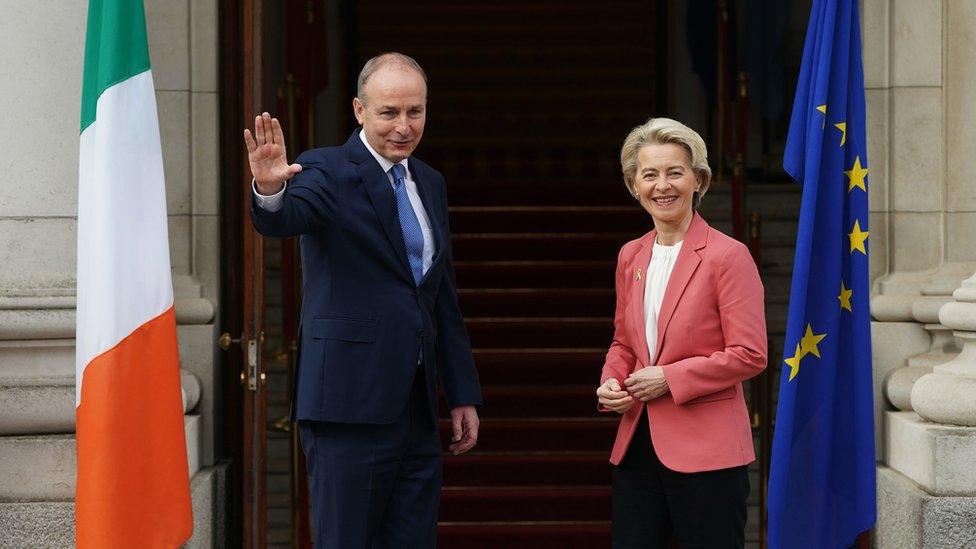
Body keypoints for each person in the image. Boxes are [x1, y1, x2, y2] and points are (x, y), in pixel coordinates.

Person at [244, 52, 482, 548]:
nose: (403, 126)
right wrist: (269, 189)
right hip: (347, 406)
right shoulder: (326, 168)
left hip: (416, 408)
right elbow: (285, 218)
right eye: (389, 113)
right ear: (359, 110)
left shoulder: (429, 183)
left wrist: (461, 393)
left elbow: (439, 298)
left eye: (414, 112)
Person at [595, 117, 767, 548]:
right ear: (634, 185)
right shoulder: (630, 255)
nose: (662, 185)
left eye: (675, 172)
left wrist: (669, 378)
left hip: (709, 452)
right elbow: (624, 341)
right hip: (638, 446)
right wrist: (611, 380)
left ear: (698, 180)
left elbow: (750, 353)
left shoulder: (729, 256)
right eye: (649, 174)